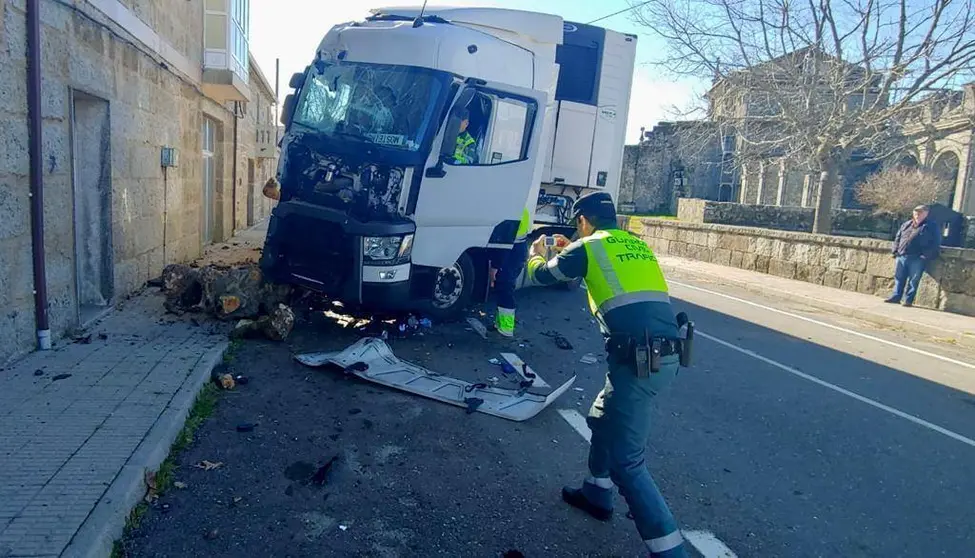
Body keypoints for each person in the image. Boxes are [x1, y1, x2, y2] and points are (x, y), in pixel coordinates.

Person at [525, 191, 688, 557]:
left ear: (583, 220)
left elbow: (542, 276)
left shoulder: (587, 248)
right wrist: (574, 248)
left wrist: (537, 254)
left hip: (638, 362)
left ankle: (672, 552)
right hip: (661, 355)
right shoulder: (634, 243)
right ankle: (596, 493)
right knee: (600, 416)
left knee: (628, 464)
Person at [885, 204, 941, 308]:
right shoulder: (907, 224)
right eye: (916, 212)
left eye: (920, 212)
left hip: (918, 257)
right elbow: (898, 238)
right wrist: (895, 251)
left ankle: (908, 300)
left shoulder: (931, 226)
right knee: (899, 278)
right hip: (902, 255)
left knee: (914, 280)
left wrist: (926, 255)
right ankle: (896, 297)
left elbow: (936, 242)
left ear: (926, 213)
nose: (917, 214)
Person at [492, 206, 534, 337]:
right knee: (503, 288)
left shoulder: (511, 210)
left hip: (511, 252)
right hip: (519, 250)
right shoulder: (521, 208)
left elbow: (504, 244)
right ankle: (499, 324)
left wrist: (494, 267)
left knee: (505, 289)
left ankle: (506, 328)